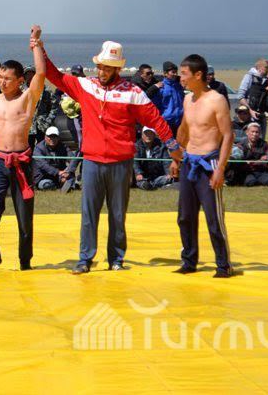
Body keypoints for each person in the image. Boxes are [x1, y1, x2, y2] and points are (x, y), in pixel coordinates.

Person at [44, 40, 179, 274]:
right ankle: (85, 259)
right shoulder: (86, 86)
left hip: (121, 163)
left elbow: (155, 119)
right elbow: (54, 75)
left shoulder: (133, 93)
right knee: (89, 214)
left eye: (107, 68)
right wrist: (38, 47)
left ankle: (116, 258)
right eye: (100, 66)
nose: (102, 72)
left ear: (117, 69)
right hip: (92, 161)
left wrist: (172, 144)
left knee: (117, 214)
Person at [0, 25, 46, 271]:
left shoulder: (27, 99)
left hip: (21, 164)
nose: (2, 82)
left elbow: (40, 73)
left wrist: (36, 43)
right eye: (0, 77)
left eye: (7, 79)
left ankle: (25, 261)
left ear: (19, 81)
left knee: (25, 219)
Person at [169, 54, 234, 278]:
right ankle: (189, 261)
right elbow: (184, 130)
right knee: (185, 217)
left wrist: (220, 168)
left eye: (184, 74)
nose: (180, 78)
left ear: (198, 75)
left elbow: (228, 135)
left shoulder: (217, 100)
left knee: (214, 218)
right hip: (189, 161)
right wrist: (176, 158)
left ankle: (223, 265)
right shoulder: (188, 100)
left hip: (209, 163)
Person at [237, 58, 268, 139]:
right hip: (249, 116)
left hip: (261, 115)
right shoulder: (249, 77)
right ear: (260, 68)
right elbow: (240, 96)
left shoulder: (265, 80)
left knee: (261, 141)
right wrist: (250, 111)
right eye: (266, 68)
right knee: (249, 140)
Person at [24, 65, 60, 149]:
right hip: (26, 126)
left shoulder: (45, 90)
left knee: (42, 149)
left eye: (32, 74)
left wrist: (48, 120)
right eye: (27, 74)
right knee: (27, 149)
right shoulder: (21, 90)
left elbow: (55, 106)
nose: (30, 76)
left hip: (42, 126)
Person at [33, 126, 77, 192]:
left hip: (59, 175)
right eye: (50, 136)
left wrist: (68, 171)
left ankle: (65, 183)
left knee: (70, 176)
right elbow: (44, 165)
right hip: (43, 176)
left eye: (55, 137)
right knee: (46, 185)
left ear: (58, 138)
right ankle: (62, 185)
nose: (52, 139)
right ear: (45, 137)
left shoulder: (63, 146)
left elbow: (73, 159)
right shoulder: (38, 149)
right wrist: (58, 172)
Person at [233, 123, 268, 187]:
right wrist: (259, 161)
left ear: (260, 134)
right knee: (251, 182)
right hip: (246, 171)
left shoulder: (264, 144)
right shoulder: (240, 144)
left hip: (261, 171)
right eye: (252, 132)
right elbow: (240, 161)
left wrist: (252, 162)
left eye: (257, 132)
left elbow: (266, 160)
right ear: (247, 132)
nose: (254, 134)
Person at [133, 126, 175, 191]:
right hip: (143, 177)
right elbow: (135, 162)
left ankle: (154, 184)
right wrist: (138, 173)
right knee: (142, 182)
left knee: (169, 178)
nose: (148, 136)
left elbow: (166, 161)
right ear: (142, 135)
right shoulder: (136, 146)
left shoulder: (161, 146)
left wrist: (168, 173)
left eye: (150, 133)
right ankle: (148, 185)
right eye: (146, 133)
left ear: (154, 135)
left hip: (158, 176)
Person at [159, 61, 185, 136]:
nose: (175, 74)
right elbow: (156, 105)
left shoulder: (179, 86)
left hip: (180, 121)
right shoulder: (161, 87)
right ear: (165, 73)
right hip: (167, 122)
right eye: (173, 72)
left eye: (176, 72)